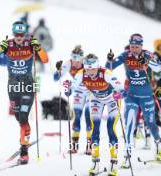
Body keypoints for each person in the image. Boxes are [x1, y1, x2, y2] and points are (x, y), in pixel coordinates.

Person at [106, 34, 161, 168]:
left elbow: (158, 68)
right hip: (131, 95)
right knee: (129, 124)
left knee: (151, 123)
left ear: (141, 46)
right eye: (132, 47)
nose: (134, 49)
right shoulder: (125, 55)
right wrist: (110, 60)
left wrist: (147, 62)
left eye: (137, 47)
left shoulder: (148, 54)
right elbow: (108, 68)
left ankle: (158, 145)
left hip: (147, 96)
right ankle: (128, 156)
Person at [0, 21, 42, 164]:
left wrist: (38, 48)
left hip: (28, 86)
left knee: (24, 117)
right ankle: (24, 136)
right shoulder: (8, 44)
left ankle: (24, 150)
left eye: (21, 34)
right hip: (13, 87)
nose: (19, 37)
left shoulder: (30, 44)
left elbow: (45, 59)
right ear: (13, 33)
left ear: (25, 34)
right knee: (19, 119)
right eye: (16, 34)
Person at [69, 54, 124, 176]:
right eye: (88, 69)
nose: (90, 72)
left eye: (93, 69)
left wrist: (120, 93)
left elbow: (121, 88)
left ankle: (114, 162)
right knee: (95, 129)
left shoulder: (106, 73)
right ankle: (95, 162)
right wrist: (68, 90)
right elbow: (72, 86)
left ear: (97, 67)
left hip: (111, 99)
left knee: (110, 128)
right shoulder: (81, 73)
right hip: (96, 99)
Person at [53, 45, 92, 155]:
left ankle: (90, 145)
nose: (76, 63)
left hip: (90, 92)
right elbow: (55, 78)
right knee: (76, 117)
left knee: (88, 117)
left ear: (82, 59)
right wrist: (59, 70)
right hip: (79, 92)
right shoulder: (68, 64)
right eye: (73, 59)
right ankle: (74, 145)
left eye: (78, 60)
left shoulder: (88, 63)